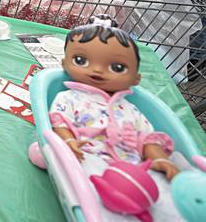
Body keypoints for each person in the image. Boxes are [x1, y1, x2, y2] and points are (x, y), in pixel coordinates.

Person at [51, 16, 178, 181]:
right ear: (64, 64)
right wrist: (68, 141)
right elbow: (59, 123)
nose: (97, 70)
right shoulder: (68, 98)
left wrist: (161, 160)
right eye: (81, 60)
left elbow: (147, 140)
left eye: (117, 67)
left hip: (134, 170)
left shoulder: (130, 110)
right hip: (85, 160)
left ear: (135, 79)